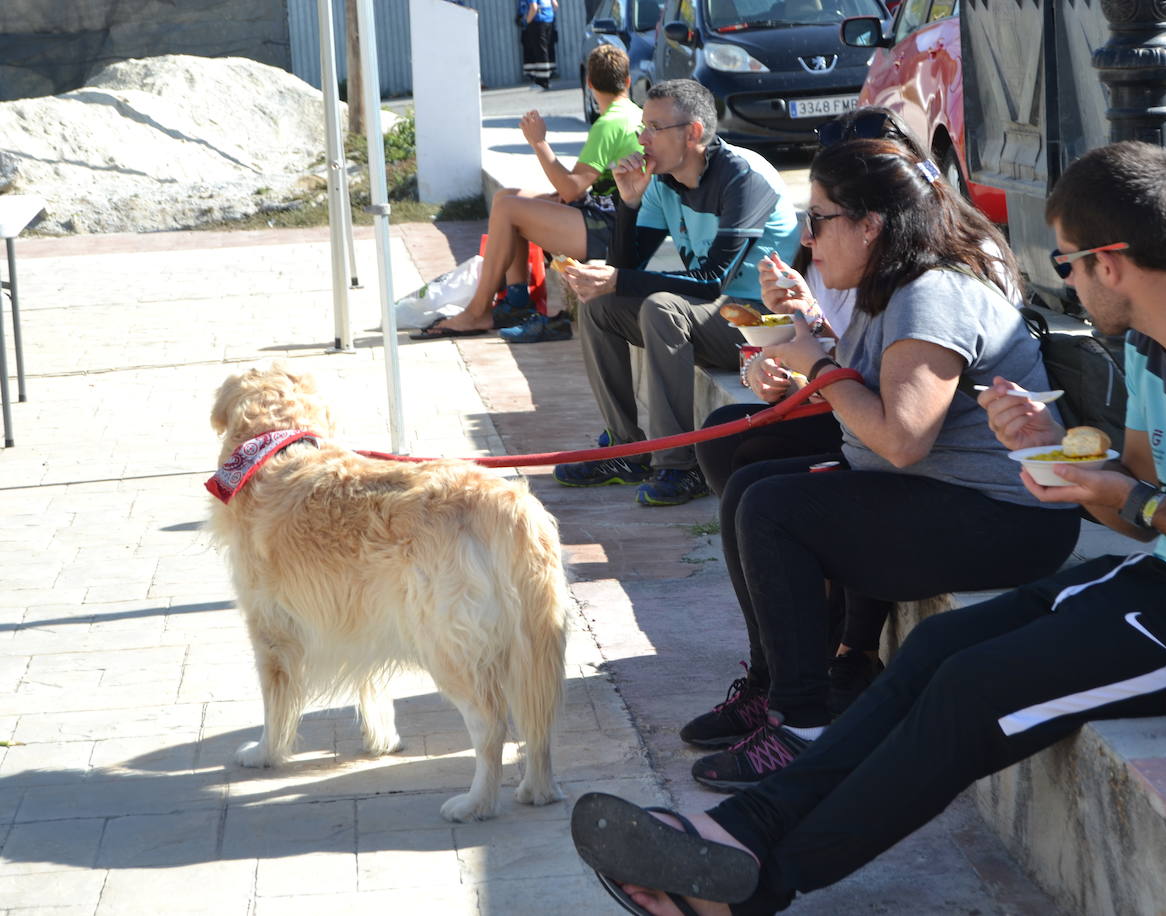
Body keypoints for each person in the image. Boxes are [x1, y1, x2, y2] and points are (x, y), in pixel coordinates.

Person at [567, 140, 1166, 916]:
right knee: (939, 649)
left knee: (975, 692)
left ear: (1110, 262)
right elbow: (1142, 504)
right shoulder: (1154, 342)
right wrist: (1046, 452)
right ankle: (739, 830)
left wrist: (1134, 498)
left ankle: (754, 891)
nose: (1068, 280)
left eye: (1067, 263)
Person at [679, 133, 1082, 792]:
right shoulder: (891, 285)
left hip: (1010, 519)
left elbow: (902, 439)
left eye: (818, 219)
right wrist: (803, 360)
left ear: (869, 226)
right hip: (951, 497)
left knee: (774, 508)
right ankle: (771, 686)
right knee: (753, 479)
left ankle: (803, 726)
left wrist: (821, 365)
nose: (808, 239)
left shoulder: (930, 294)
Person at [553, 78, 801, 507]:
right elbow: (626, 269)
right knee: (601, 306)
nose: (641, 138)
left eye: (654, 128)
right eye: (641, 127)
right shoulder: (663, 181)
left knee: (661, 308)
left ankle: (681, 466)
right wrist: (628, 207)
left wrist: (618, 279)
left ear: (693, 133)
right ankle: (624, 450)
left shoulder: (744, 178)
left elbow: (712, 281)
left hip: (764, 321)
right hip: (713, 314)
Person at [411, 45, 641, 343]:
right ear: (628, 81)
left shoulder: (609, 123)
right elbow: (584, 187)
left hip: (609, 231)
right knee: (507, 197)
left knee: (509, 209)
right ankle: (516, 301)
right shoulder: (631, 113)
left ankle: (477, 311)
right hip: (610, 217)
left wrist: (539, 143)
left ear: (590, 84)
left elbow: (570, 190)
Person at [519, 0, 557, 90]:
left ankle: (542, 83)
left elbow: (534, 7)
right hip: (549, 20)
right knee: (545, 50)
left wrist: (527, 21)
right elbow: (555, 5)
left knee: (540, 51)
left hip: (537, 21)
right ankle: (546, 79)